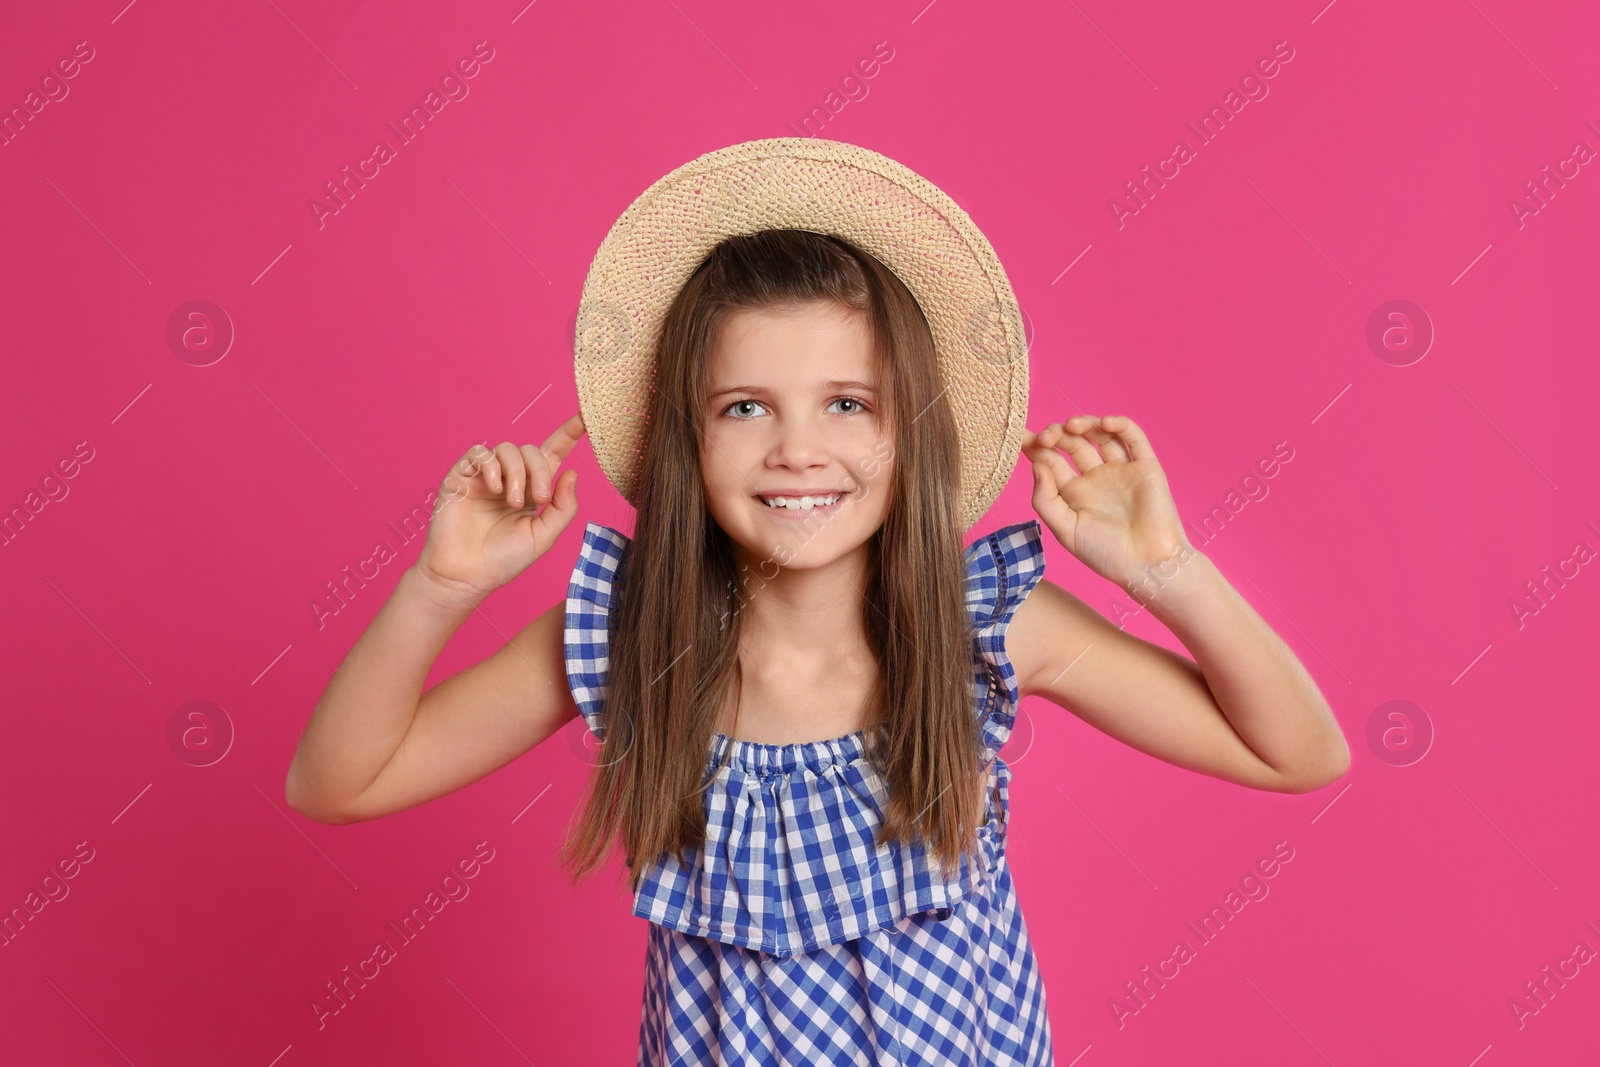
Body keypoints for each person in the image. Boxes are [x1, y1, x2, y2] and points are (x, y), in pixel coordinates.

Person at [285, 140, 1349, 1066]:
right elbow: (337, 782)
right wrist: (440, 589)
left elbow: (1298, 752)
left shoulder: (981, 626)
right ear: (687, 439)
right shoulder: (633, 637)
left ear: (908, 429)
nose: (797, 448)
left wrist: (1162, 568)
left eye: (848, 403)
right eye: (744, 406)